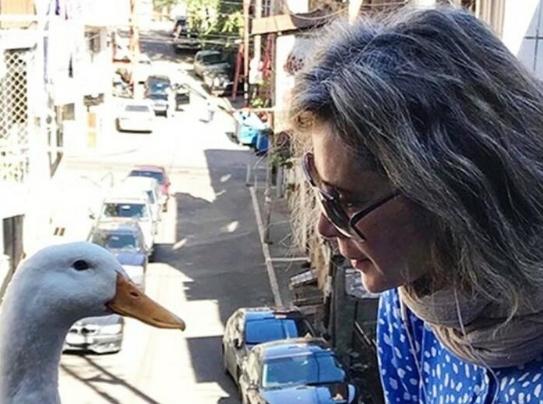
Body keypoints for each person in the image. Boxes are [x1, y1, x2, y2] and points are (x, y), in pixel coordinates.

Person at [289, 6, 543, 403]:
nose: (324, 226)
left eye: (347, 202)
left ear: (451, 193)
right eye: (320, 189)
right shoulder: (413, 304)